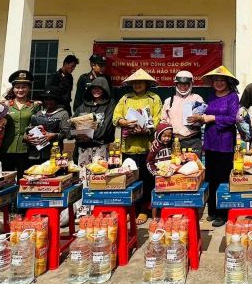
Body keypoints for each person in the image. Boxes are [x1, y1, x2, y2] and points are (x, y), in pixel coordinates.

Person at [190, 65, 240, 228]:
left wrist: (212, 118)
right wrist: (200, 118)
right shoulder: (210, 96)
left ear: (227, 82)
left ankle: (223, 213)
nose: (218, 83)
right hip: (210, 141)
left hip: (226, 142)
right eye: (216, 80)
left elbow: (233, 118)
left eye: (222, 80)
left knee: (223, 177)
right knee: (211, 177)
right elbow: (205, 115)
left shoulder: (233, 97)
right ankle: (212, 210)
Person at [112, 68, 162, 225]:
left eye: (140, 82)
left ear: (146, 83)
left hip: (147, 147)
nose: (137, 85)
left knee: (147, 179)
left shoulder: (154, 98)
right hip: (128, 147)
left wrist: (146, 129)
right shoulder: (126, 98)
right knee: (130, 180)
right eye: (134, 82)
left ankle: (144, 210)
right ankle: (131, 209)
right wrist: (125, 122)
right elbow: (116, 117)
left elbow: (158, 119)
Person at [0, 69, 40, 179]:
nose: (20, 90)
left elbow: (38, 125)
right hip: (7, 148)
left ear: (29, 88)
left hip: (27, 149)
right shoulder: (5, 106)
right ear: (13, 89)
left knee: (25, 179)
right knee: (7, 179)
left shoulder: (35, 106)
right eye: (17, 87)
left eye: (24, 87)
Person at [71, 76, 116, 174]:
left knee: (98, 177)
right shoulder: (83, 106)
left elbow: (106, 129)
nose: (96, 91)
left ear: (105, 89)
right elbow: (71, 127)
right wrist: (77, 134)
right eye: (94, 88)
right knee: (83, 177)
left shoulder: (110, 104)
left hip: (100, 148)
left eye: (100, 88)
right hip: (83, 148)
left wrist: (87, 134)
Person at [161, 70, 205, 157]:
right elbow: (163, 121)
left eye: (185, 84)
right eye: (180, 84)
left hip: (193, 141)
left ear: (190, 84)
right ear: (176, 84)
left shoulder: (197, 98)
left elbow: (203, 118)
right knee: (175, 165)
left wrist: (199, 118)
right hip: (173, 141)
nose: (182, 87)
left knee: (193, 165)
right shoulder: (169, 101)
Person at [29, 89, 70, 166]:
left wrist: (54, 135)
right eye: (46, 99)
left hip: (54, 152)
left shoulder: (63, 113)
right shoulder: (38, 113)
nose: (48, 102)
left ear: (56, 101)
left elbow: (66, 133)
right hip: (36, 154)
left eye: (51, 99)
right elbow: (30, 128)